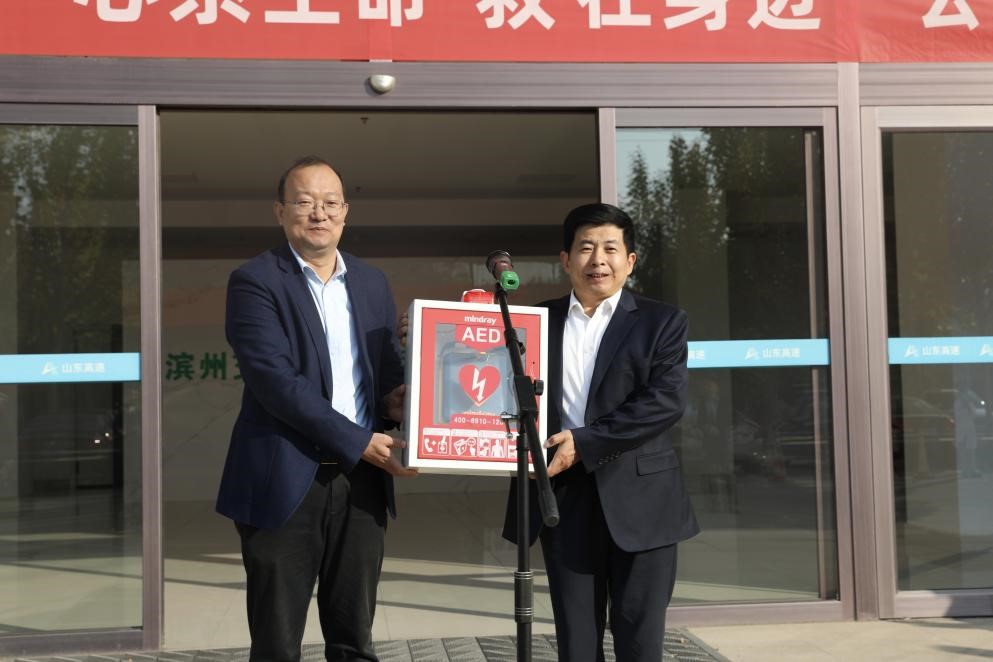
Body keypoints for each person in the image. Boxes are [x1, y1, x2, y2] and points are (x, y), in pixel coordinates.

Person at [216, 156, 416, 661]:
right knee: (277, 643)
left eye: (330, 203)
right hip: (284, 479)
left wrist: (406, 401)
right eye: (304, 202)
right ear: (280, 211)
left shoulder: (372, 282)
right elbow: (275, 382)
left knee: (354, 638)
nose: (318, 213)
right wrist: (359, 440)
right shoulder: (255, 281)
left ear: (345, 211)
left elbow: (385, 374)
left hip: (362, 484)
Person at [503, 202, 699, 661]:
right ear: (565, 259)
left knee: (640, 643)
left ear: (630, 261)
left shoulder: (662, 322)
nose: (598, 260)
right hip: (562, 497)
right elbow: (494, 386)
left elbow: (664, 402)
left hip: (643, 502)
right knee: (576, 642)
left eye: (610, 249)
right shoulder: (534, 323)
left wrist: (585, 442)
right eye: (586, 247)